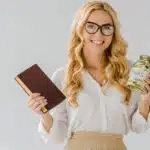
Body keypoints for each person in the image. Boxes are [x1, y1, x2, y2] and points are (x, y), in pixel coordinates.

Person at [28, 1, 150, 150]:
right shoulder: (63, 76)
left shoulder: (130, 70)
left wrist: (145, 100)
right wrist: (44, 114)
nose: (99, 34)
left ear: (113, 32)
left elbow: (138, 127)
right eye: (91, 26)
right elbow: (58, 136)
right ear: (80, 29)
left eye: (106, 27)